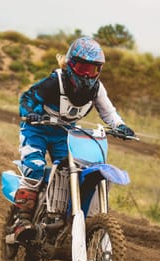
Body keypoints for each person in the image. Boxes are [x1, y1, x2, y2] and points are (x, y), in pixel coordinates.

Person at [13, 36, 135, 241]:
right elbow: (27, 98)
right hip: (37, 129)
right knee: (34, 168)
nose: (87, 75)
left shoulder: (97, 89)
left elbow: (109, 113)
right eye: (82, 68)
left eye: (93, 70)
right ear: (70, 65)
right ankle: (21, 220)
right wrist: (30, 113)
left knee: (73, 172)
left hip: (65, 133)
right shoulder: (56, 81)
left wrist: (121, 126)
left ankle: (64, 217)